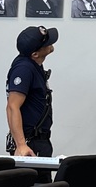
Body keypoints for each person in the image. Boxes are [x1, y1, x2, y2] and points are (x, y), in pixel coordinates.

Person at [6, 25, 58, 168]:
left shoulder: (33, 64)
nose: (50, 43)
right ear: (35, 53)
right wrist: (21, 145)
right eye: (46, 42)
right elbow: (12, 106)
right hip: (31, 144)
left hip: (40, 141)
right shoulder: (24, 69)